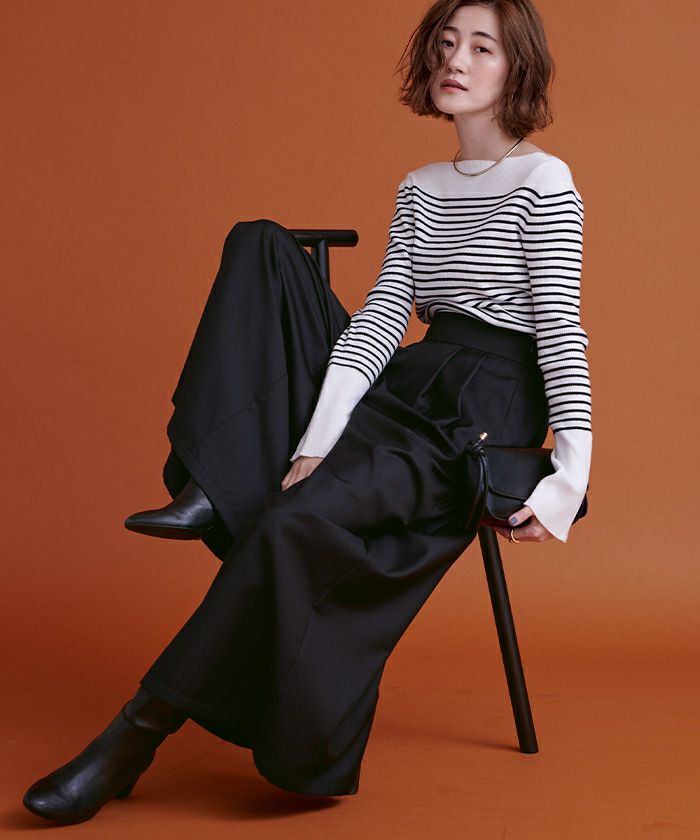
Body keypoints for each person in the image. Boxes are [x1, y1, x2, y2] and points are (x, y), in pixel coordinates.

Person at [22, 0, 592, 824]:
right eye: (445, 42)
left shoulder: (546, 181)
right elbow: (383, 315)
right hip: (414, 380)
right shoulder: (421, 188)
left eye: (481, 47)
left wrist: (568, 480)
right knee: (261, 241)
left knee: (289, 524)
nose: (455, 59)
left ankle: (132, 736)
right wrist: (316, 444)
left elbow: (562, 329)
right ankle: (215, 486)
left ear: (519, 69)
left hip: (484, 405)